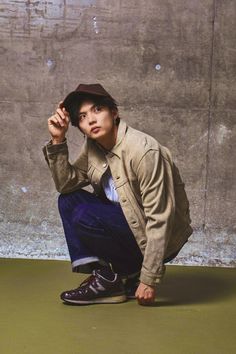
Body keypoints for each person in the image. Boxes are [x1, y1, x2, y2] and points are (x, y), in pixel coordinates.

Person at [43, 83, 192, 306]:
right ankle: (109, 278)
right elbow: (66, 184)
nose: (91, 120)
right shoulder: (93, 146)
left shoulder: (143, 151)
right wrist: (57, 140)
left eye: (97, 110)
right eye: (82, 117)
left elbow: (160, 217)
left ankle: (127, 274)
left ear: (114, 112)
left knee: (84, 213)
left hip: (158, 237)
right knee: (68, 201)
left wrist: (149, 279)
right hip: (124, 224)